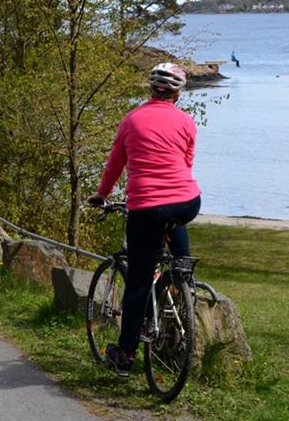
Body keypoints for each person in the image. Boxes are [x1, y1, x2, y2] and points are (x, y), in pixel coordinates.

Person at [87, 62, 201, 377]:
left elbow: (115, 164)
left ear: (151, 89)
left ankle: (124, 355)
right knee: (175, 235)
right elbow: (186, 163)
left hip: (147, 206)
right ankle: (183, 277)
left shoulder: (131, 120)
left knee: (138, 282)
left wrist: (102, 193)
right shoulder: (187, 122)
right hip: (187, 201)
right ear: (177, 93)